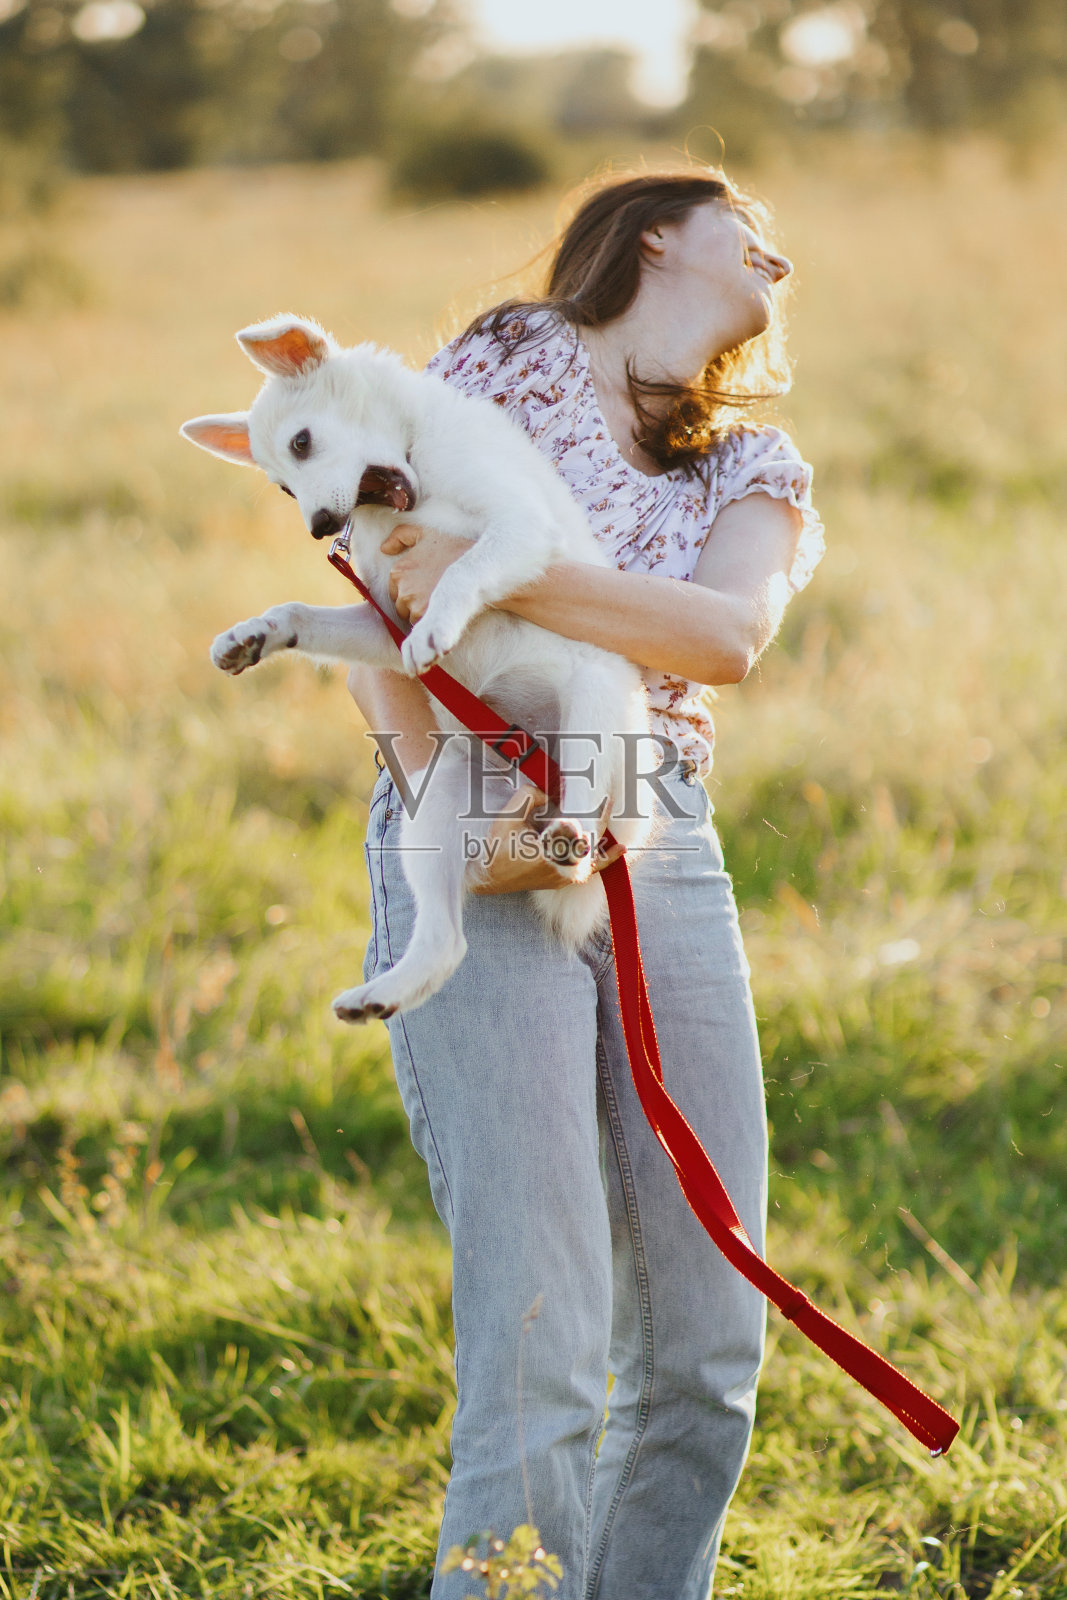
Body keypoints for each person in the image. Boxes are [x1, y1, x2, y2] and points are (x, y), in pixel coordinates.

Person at [346, 168, 824, 1600]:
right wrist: (440, 790)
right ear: (659, 231)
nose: (781, 261)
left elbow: (728, 634)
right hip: (470, 798)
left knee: (707, 1349)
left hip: (660, 830)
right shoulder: (503, 359)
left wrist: (492, 567)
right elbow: (381, 582)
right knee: (541, 1345)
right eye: (755, 229)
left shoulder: (756, 467)